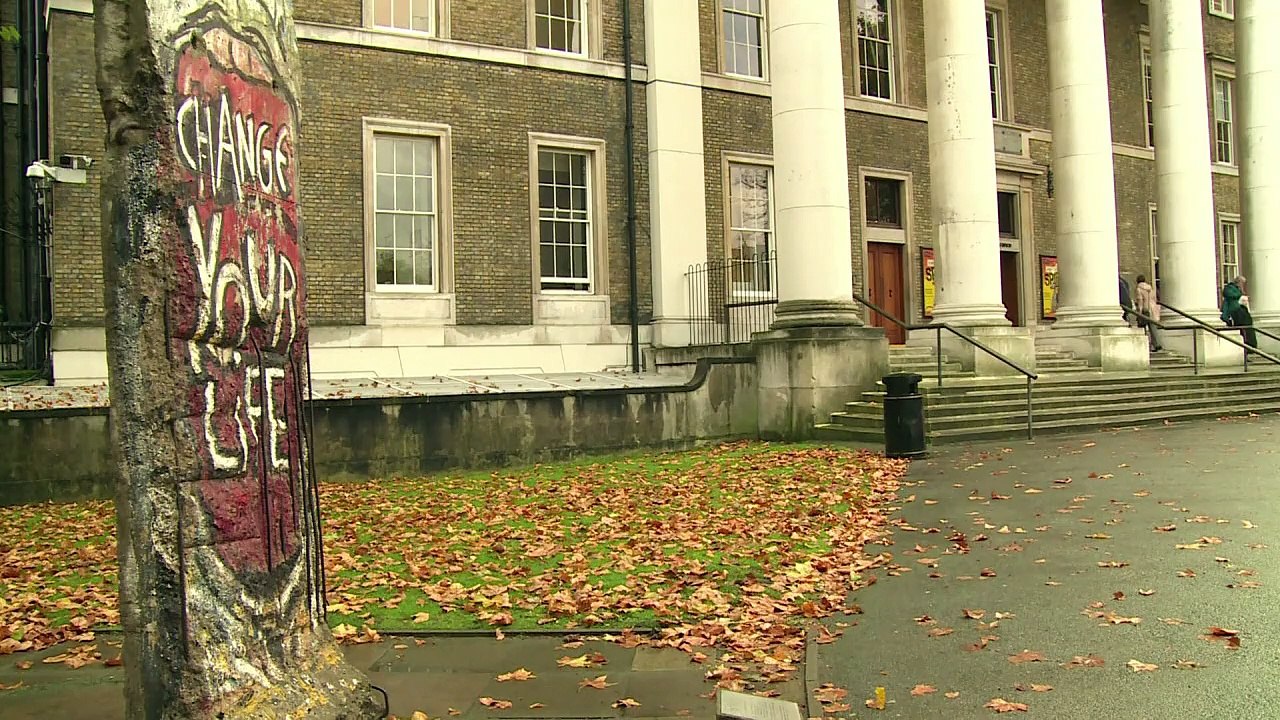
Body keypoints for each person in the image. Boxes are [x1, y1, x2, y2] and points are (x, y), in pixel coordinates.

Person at [1221, 275, 1258, 349]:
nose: (1243, 285)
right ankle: (1247, 344)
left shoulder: (1238, 289)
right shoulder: (1229, 288)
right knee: (1243, 324)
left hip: (1240, 310)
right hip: (1234, 311)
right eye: (1242, 283)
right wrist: (1240, 295)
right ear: (1238, 282)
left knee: (1248, 323)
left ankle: (1251, 344)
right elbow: (1229, 294)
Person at [1134, 274, 1162, 351]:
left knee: (1142, 327)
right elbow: (1154, 298)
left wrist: (1139, 312)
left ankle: (1144, 345)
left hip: (1145, 309)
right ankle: (1157, 344)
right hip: (1153, 308)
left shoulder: (1139, 289)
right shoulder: (1150, 288)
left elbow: (1140, 300)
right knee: (1153, 328)